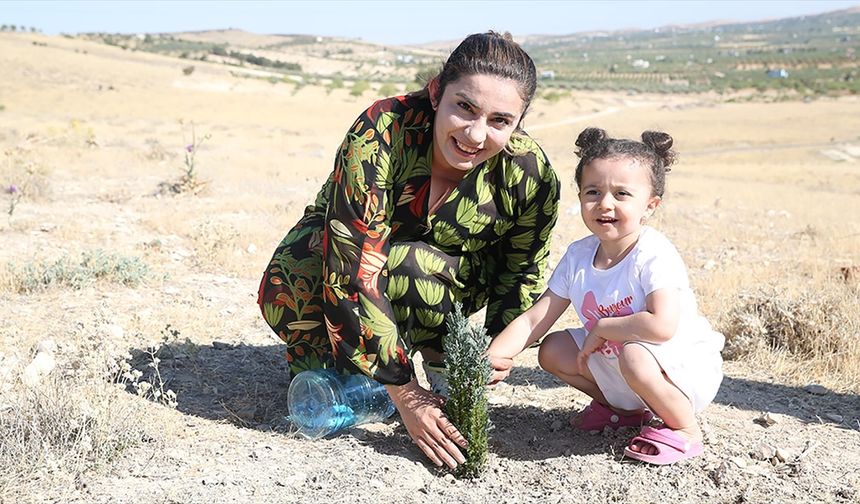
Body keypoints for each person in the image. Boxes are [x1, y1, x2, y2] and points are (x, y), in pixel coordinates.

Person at [257, 31, 560, 469]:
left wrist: (492, 355)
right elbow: (351, 259)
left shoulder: (529, 173)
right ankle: (365, 376)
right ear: (437, 92)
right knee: (297, 288)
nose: (475, 134)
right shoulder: (383, 129)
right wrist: (404, 391)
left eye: (500, 121)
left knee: (414, 264)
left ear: (518, 123)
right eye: (465, 107)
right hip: (344, 276)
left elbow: (522, 272)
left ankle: (438, 368)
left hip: (444, 292)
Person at [487, 127, 724, 465]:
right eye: (593, 191)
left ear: (651, 204)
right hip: (626, 364)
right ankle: (625, 412)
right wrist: (495, 356)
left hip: (680, 370)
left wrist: (602, 329)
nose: (605, 204)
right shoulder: (579, 256)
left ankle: (684, 429)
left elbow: (661, 327)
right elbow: (535, 318)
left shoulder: (653, 253)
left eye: (622, 194)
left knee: (635, 354)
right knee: (553, 350)